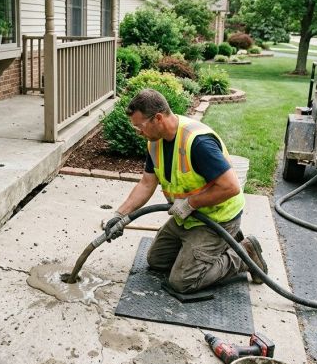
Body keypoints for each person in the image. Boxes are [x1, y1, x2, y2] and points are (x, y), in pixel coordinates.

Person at [103, 89, 268, 294]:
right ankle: (211, 248)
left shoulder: (198, 143)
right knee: (157, 261)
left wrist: (191, 203)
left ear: (158, 118)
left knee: (183, 282)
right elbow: (146, 184)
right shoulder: (155, 144)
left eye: (140, 126)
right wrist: (120, 215)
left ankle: (244, 254)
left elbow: (231, 187)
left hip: (217, 219)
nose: (138, 131)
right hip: (186, 218)